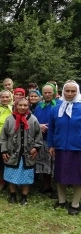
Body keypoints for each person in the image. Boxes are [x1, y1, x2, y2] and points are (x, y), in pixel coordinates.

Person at [0, 98, 42, 205]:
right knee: (11, 173)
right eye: (20, 105)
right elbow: (3, 136)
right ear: (16, 106)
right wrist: (4, 150)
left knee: (26, 175)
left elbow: (38, 135)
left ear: (28, 106)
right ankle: (13, 195)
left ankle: (24, 196)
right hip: (13, 153)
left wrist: (36, 147)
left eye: (25, 105)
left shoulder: (33, 119)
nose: (22, 108)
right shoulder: (9, 119)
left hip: (28, 154)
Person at [48, 81, 81, 215]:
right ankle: (61, 200)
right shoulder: (56, 109)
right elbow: (52, 129)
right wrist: (51, 144)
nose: (70, 94)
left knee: (77, 177)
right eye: (67, 91)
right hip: (60, 147)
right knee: (60, 174)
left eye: (73, 91)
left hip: (77, 148)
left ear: (77, 92)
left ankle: (75, 203)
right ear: (63, 91)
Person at [34, 83, 61, 196]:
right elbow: (33, 120)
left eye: (50, 92)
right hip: (42, 139)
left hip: (55, 140)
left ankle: (58, 188)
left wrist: (48, 126)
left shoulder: (60, 105)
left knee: (55, 165)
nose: (47, 94)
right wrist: (39, 126)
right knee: (44, 164)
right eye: (45, 92)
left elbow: (61, 121)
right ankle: (47, 186)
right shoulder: (39, 106)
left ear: (54, 93)